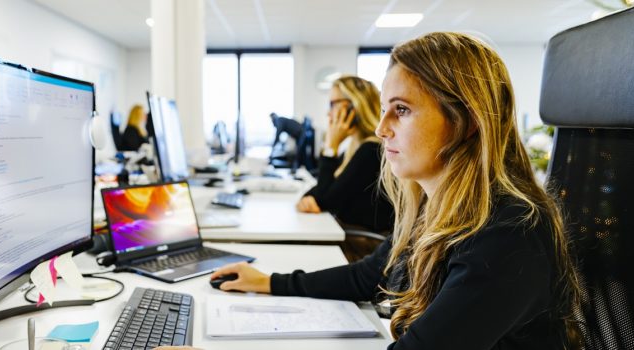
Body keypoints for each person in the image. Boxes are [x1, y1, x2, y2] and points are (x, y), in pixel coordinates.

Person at [156, 32, 581, 350]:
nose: (381, 130)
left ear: (467, 121)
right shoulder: (439, 209)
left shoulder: (508, 233)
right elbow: (370, 274)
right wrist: (271, 282)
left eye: (402, 110)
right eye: (383, 110)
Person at [296, 76, 394, 234]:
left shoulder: (371, 150)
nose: (328, 113)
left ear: (354, 106)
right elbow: (323, 189)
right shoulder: (355, 148)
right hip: (348, 236)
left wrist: (330, 146)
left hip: (361, 246)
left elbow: (325, 200)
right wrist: (310, 198)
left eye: (333, 104)